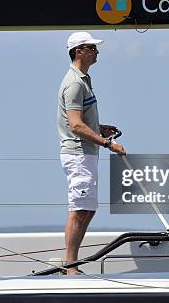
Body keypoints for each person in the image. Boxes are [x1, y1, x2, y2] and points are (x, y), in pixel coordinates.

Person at [57, 32, 126, 274]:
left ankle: (71, 263)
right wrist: (107, 143)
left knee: (87, 207)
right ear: (78, 51)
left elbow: (80, 121)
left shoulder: (83, 79)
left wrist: (99, 128)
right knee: (80, 208)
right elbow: (75, 124)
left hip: (85, 153)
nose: (96, 52)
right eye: (91, 48)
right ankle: (70, 264)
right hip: (78, 154)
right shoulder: (75, 82)